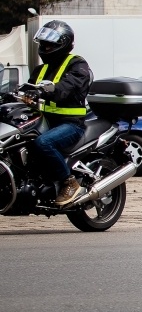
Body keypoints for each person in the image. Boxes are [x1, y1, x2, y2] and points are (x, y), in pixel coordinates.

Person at [28, 20, 93, 206]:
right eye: (43, 43)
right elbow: (27, 89)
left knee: (44, 142)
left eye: (49, 43)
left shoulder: (77, 64)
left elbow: (67, 87)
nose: (45, 47)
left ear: (63, 43)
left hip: (71, 124)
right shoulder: (41, 70)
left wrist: (45, 91)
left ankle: (69, 182)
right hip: (44, 121)